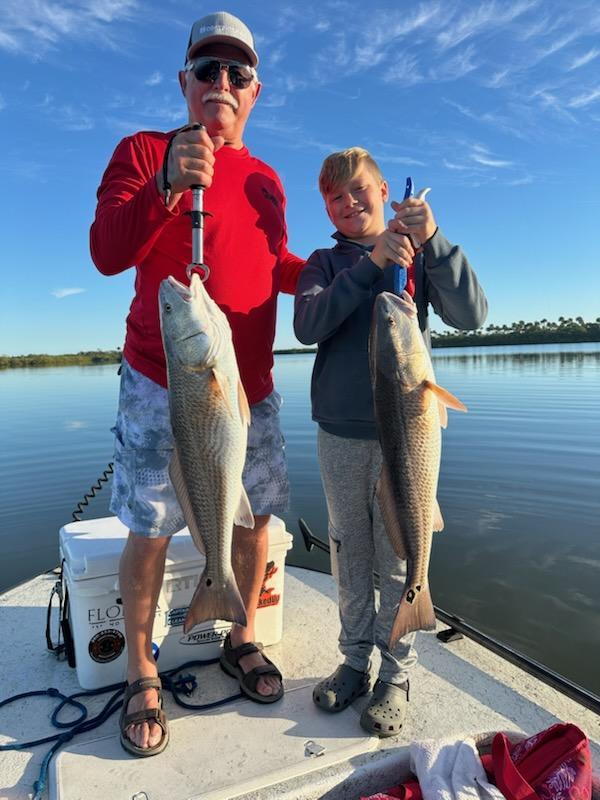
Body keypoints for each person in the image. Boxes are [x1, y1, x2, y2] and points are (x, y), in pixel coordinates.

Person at [90, 11, 304, 757]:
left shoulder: (268, 180)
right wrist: (165, 186)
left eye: (236, 72)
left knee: (254, 521)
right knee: (150, 528)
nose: (221, 82)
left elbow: (276, 265)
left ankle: (240, 633)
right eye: (206, 69)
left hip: (252, 386)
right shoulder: (143, 150)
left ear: (255, 91)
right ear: (184, 82)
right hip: (162, 381)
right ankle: (142, 669)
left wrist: (342, 276)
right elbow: (106, 253)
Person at [293, 147, 487, 737]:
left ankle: (395, 672)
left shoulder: (420, 258)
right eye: (336, 196)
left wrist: (437, 243)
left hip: (406, 435)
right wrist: (369, 265)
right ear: (325, 207)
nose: (350, 203)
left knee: (399, 556)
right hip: (341, 439)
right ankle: (354, 660)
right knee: (349, 556)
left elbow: (472, 314)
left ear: (384, 192)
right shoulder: (323, 263)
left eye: (360, 190)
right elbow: (308, 325)